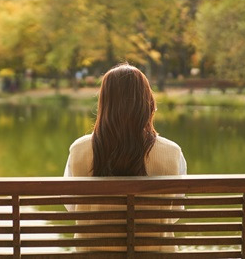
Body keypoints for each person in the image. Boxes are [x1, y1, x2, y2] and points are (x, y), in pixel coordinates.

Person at [64, 63, 187, 252]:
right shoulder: (172, 152)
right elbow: (175, 210)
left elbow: (73, 208)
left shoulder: (79, 149)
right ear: (147, 101)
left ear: (104, 103)